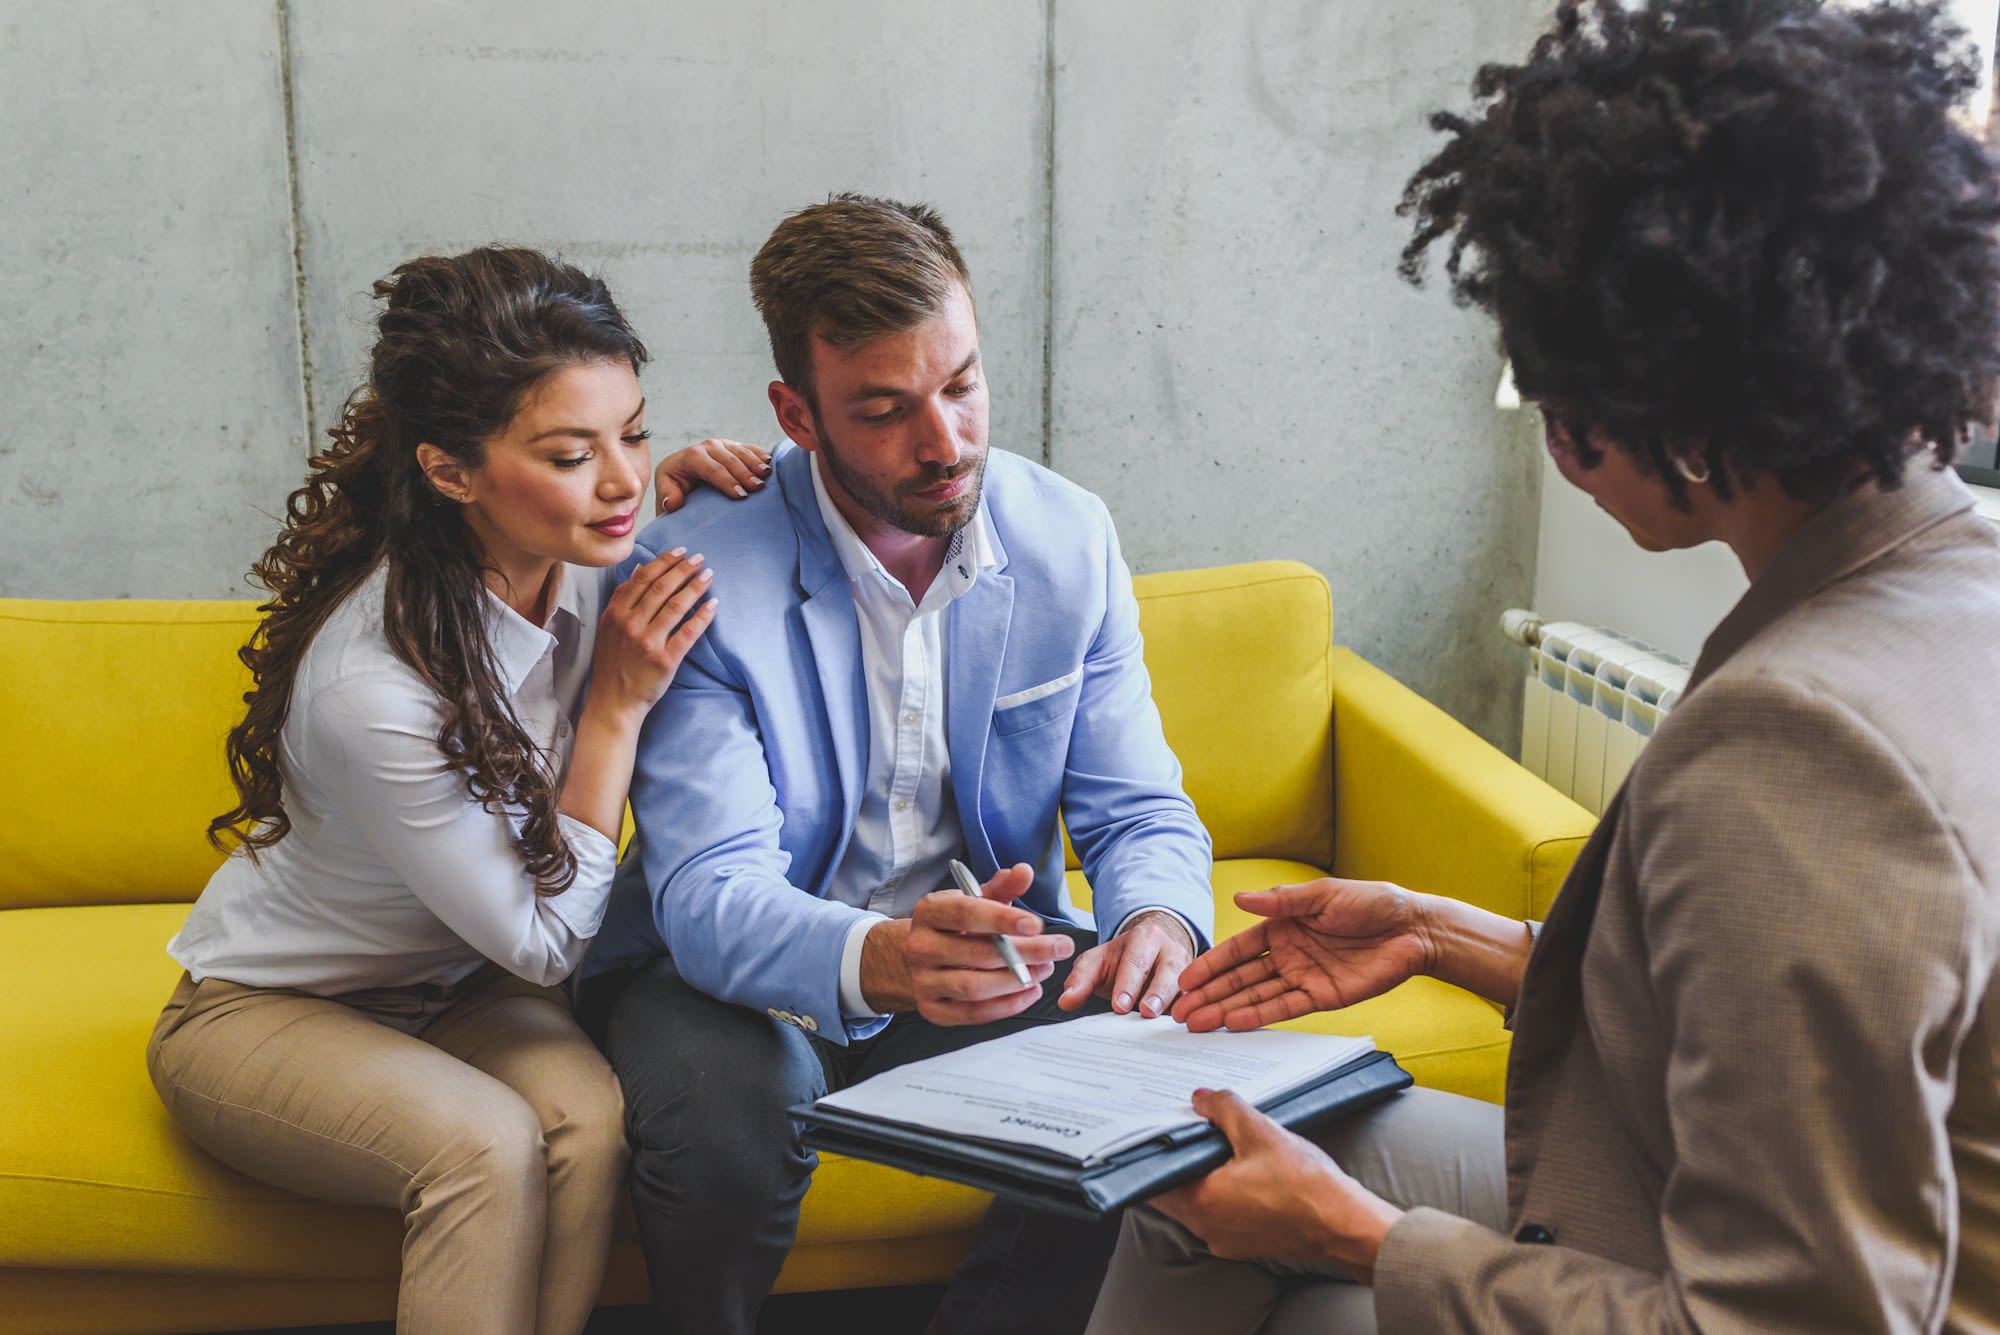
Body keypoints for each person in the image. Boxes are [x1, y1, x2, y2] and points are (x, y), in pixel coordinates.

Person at [1087, 0, 2000, 1330]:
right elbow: (1788, 1024)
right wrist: (1439, 931)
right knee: (1205, 1182)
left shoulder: (1798, 750)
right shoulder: (1954, 573)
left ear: (1665, 403)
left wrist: (1361, 1238)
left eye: (1552, 371)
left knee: (1299, 1276)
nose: (1549, 420)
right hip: (1762, 1201)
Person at [578, 194, 1217, 1335]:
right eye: (884, 410)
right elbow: (709, 897)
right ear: (798, 413)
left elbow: (1138, 814)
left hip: (979, 956)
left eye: (962, 384)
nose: (947, 442)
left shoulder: (1068, 540)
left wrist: (1155, 927)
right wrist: (883, 956)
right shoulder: (696, 568)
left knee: (1163, 1070)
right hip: (721, 977)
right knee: (734, 1119)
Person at [146, 246, 765, 1335]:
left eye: (632, 431)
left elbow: (695, 542)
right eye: (573, 453)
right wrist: (612, 710)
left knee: (586, 1123)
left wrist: (696, 502)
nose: (621, 479)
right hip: (272, 1014)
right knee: (484, 1147)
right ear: (449, 471)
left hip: (457, 991)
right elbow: (545, 946)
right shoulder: (370, 687)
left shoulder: (586, 552)